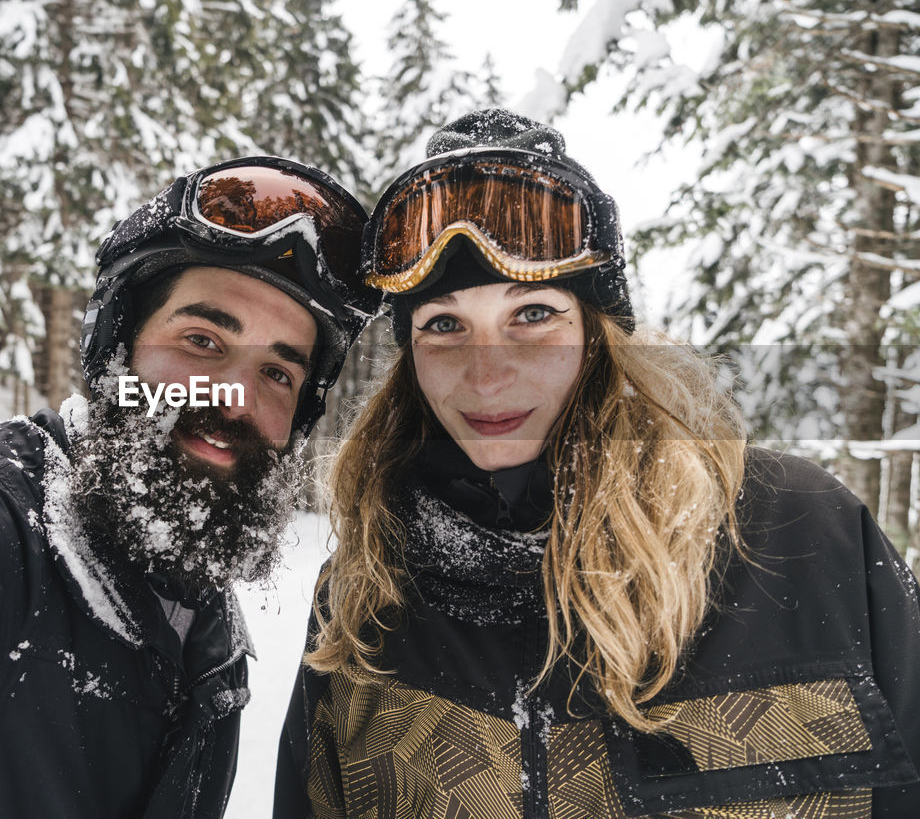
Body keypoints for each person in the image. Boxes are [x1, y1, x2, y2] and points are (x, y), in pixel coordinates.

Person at [275, 109, 920, 818]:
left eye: (533, 315)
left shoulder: (802, 532)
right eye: (444, 325)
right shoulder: (366, 596)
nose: (488, 377)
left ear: (596, 333)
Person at [0, 156, 381, 819]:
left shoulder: (201, 613)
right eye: (201, 339)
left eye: (278, 374)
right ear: (117, 354)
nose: (236, 399)